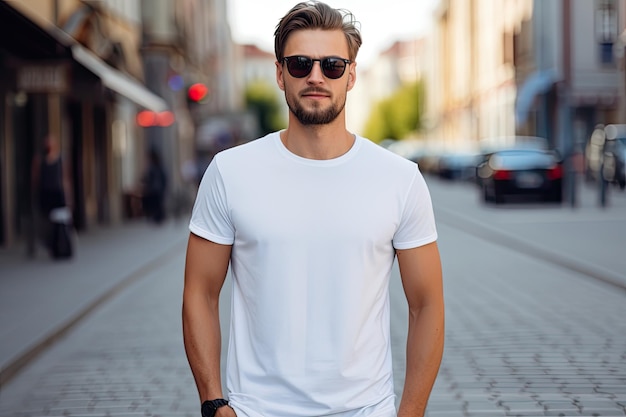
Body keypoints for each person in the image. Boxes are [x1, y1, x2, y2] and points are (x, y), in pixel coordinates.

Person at [182, 2, 444, 417]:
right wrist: (214, 403)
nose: (316, 76)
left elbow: (426, 303)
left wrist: (409, 412)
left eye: (333, 65)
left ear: (352, 75)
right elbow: (199, 292)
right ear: (280, 72)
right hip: (256, 410)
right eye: (301, 64)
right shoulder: (230, 172)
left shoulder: (400, 178)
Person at [31, 134, 72, 255]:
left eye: (51, 144)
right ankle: (51, 245)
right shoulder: (39, 160)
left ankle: (61, 245)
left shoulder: (61, 160)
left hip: (58, 195)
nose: (49, 146)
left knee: (61, 221)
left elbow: (65, 179)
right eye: (47, 144)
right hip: (45, 195)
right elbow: (35, 179)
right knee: (47, 222)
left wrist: (68, 197)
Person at [141, 148, 167, 224]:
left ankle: (158, 217)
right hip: (157, 189)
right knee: (157, 204)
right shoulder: (158, 167)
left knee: (155, 204)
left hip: (154, 189)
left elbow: (149, 178)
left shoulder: (153, 167)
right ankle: (158, 217)